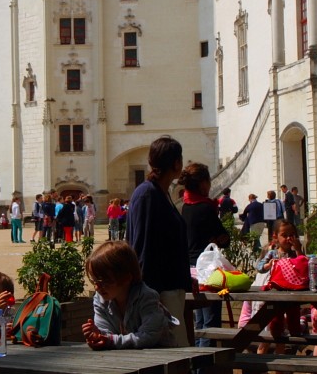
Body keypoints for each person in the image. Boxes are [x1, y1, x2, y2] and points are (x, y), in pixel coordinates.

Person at [126, 135, 190, 347]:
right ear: (176, 163)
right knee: (174, 354)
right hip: (159, 293)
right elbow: (142, 248)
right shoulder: (148, 195)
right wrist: (149, 297)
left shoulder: (160, 193)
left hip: (169, 287)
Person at [82, 241, 179, 350]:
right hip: (130, 357)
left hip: (162, 357)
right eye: (94, 281)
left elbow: (148, 336)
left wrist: (110, 340)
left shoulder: (146, 297)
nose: (97, 287)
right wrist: (98, 336)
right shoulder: (101, 299)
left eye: (104, 281)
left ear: (126, 278)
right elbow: (108, 336)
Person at [180, 162, 229, 348]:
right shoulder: (206, 208)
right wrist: (219, 238)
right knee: (211, 324)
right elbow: (224, 238)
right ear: (202, 183)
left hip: (191, 269)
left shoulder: (185, 207)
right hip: (207, 270)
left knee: (199, 324)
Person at [253, 220, 304, 355]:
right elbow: (259, 267)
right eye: (284, 235)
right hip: (275, 294)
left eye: (292, 235)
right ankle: (261, 356)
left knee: (289, 329)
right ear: (276, 236)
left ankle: (281, 361)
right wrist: (268, 265)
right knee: (274, 327)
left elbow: (303, 264)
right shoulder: (273, 253)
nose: (288, 238)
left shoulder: (294, 254)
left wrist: (298, 249)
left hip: (291, 295)